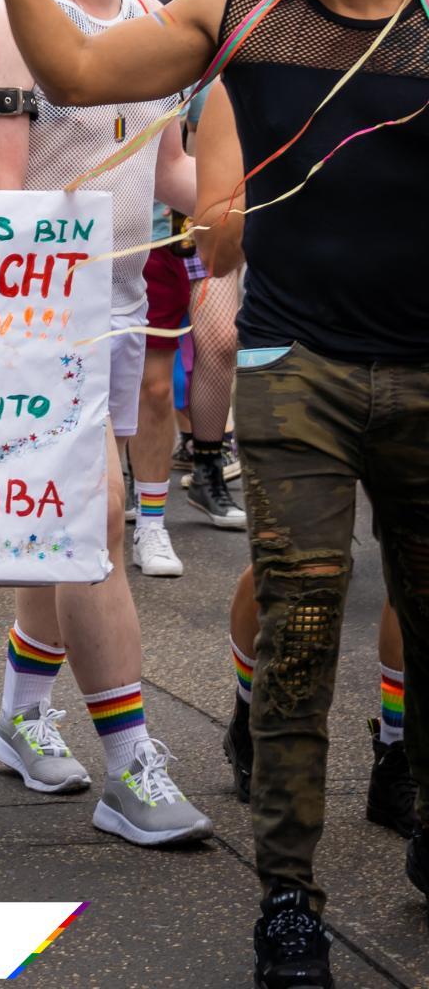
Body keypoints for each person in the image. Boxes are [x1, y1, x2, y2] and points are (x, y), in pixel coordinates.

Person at [0, 0, 429, 989]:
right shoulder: (238, 9)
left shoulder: (428, 19)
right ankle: (288, 899)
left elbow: (187, 178)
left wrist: (214, 215)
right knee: (300, 620)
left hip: (417, 366)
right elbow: (73, 72)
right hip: (288, 365)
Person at [0, 0, 212, 851]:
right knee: (95, 520)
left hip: (119, 302)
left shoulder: (152, 21)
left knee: (56, 529)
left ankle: (22, 716)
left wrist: (249, 209)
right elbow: (4, 198)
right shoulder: (10, 23)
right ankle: (130, 766)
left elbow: (174, 172)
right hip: (39, 319)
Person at [195, 78, 415, 841]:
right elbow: (213, 246)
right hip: (297, 353)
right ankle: (251, 710)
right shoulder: (250, 74)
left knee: (412, 567)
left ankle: (397, 751)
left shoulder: (415, 50)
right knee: (294, 574)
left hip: (412, 348)